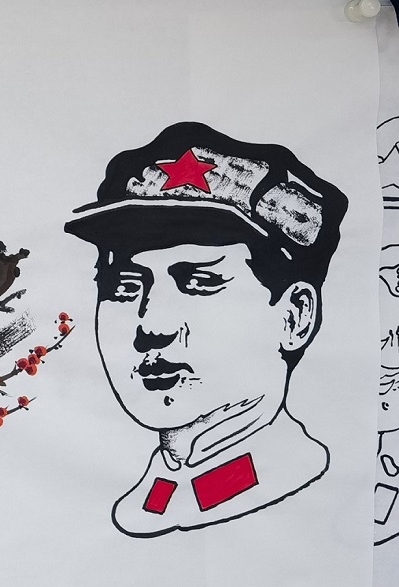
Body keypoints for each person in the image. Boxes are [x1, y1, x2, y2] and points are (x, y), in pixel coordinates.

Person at [65, 122, 344, 538]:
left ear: (295, 317)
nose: (152, 328)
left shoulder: (306, 499)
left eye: (199, 282)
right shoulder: (142, 499)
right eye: (123, 288)